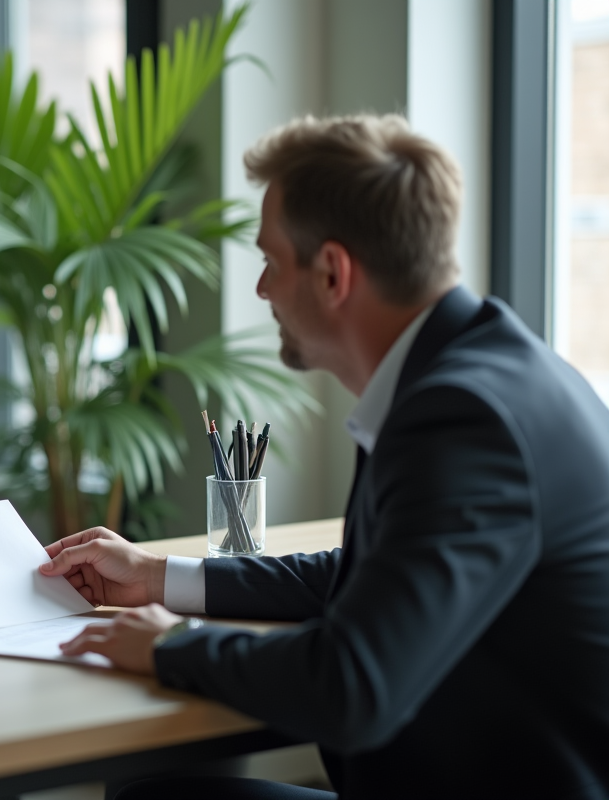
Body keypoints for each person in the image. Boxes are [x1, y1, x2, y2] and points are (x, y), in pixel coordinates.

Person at [40, 115, 609, 799]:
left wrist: (169, 645)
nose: (262, 291)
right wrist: (161, 577)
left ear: (334, 273)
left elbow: (354, 681)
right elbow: (364, 576)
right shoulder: (488, 373)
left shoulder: (464, 419)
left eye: (271, 263)